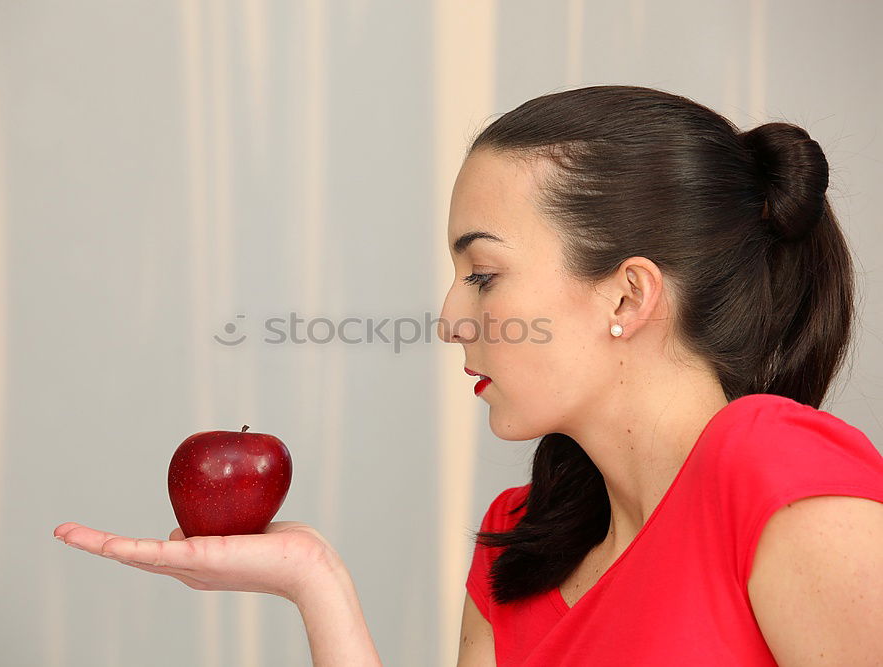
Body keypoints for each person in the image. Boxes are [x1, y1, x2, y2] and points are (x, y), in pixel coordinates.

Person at [54, 85, 883, 666]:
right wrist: (317, 584)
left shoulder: (775, 469)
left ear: (628, 293)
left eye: (483, 275)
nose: (451, 319)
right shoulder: (520, 547)